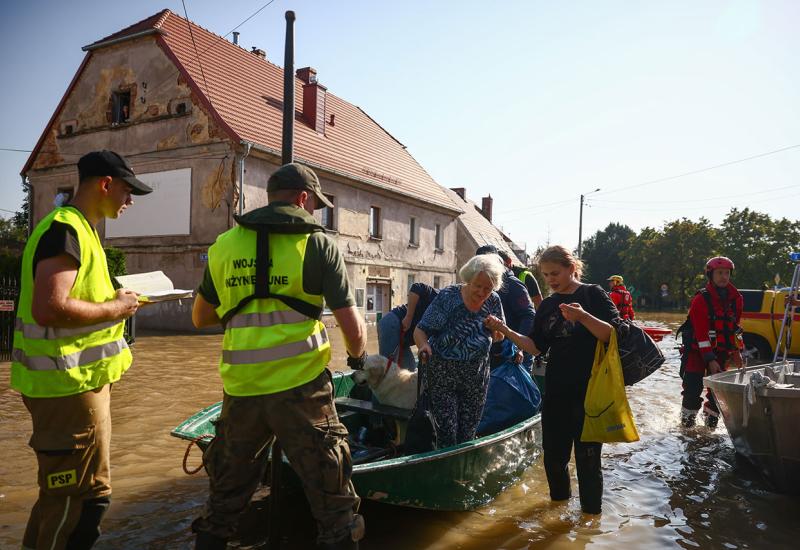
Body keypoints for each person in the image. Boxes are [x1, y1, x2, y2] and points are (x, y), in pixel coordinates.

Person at [190, 163, 367, 550]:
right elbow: (352, 330)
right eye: (314, 206)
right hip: (302, 391)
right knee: (334, 503)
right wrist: (358, 357)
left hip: (242, 391)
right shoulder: (318, 245)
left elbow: (200, 317)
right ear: (303, 199)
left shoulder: (223, 246)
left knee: (223, 502)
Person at [11, 150, 152, 549]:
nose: (130, 201)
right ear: (106, 184)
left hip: (78, 387)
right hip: (66, 389)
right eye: (127, 192)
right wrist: (118, 307)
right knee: (79, 501)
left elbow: (77, 297)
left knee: (69, 498)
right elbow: (50, 307)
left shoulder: (82, 230)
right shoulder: (65, 229)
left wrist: (116, 297)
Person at [485, 245, 620, 515]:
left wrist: (582, 316)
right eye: (545, 275)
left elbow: (612, 334)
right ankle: (558, 516)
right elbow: (535, 347)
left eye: (555, 273)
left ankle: (589, 520)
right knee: (554, 459)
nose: (550, 280)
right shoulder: (547, 305)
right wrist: (505, 329)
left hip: (590, 391)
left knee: (588, 461)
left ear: (572, 268)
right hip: (557, 390)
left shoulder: (593, 294)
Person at [413, 254, 506, 448]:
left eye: (487, 288)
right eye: (477, 286)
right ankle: (445, 471)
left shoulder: (494, 301)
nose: (482, 292)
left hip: (476, 375)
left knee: (468, 431)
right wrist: (424, 345)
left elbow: (499, 338)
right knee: (447, 429)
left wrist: (496, 328)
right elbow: (421, 330)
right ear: (468, 280)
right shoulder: (449, 297)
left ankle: (463, 474)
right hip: (443, 372)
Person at [680, 256, 743, 429]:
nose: (724, 277)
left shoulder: (736, 299)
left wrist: (737, 354)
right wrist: (710, 359)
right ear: (710, 275)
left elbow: (734, 329)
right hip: (697, 353)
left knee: (717, 396)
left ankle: (710, 429)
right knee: (692, 391)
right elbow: (701, 334)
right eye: (720, 273)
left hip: (721, 353)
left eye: (727, 273)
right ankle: (687, 429)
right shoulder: (700, 300)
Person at [475, 245, 535, 367]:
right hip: (492, 353)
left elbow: (528, 316)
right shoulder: (480, 283)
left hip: (512, 355)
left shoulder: (512, 285)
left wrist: (519, 348)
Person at [377, 282, 438, 371]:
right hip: (393, 323)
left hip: (405, 340)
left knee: (410, 370)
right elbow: (416, 287)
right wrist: (409, 317)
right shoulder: (440, 296)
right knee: (388, 370)